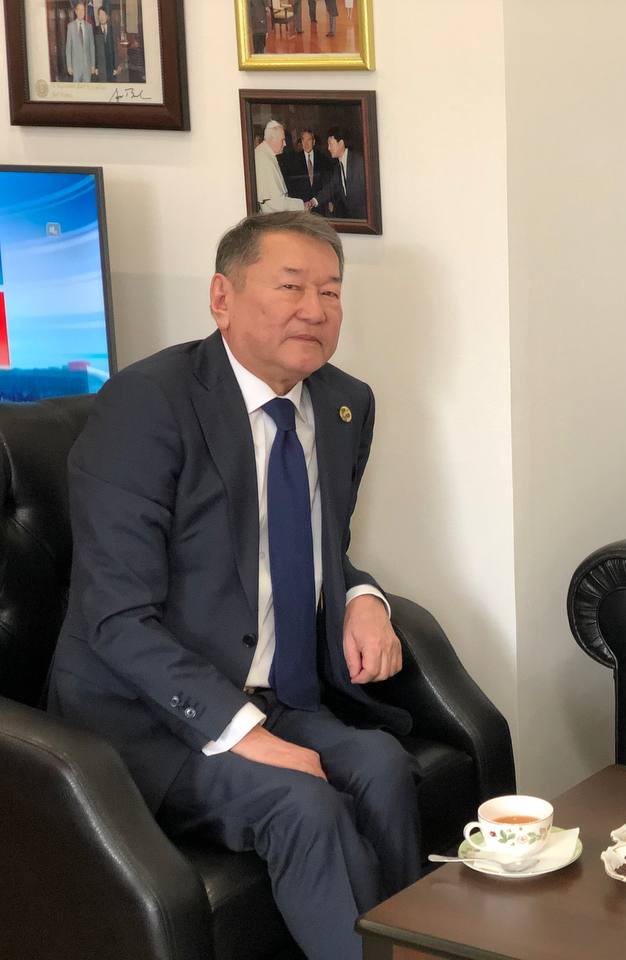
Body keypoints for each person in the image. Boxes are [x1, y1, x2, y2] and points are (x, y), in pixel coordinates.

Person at [47, 212, 420, 960]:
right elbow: (115, 616)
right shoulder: (147, 404)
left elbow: (316, 548)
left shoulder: (344, 403)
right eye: (290, 287)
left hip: (277, 691)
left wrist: (363, 599)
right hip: (148, 715)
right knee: (302, 803)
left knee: (382, 765)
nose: (314, 310)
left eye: (331, 291)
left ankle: (421, 946)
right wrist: (244, 733)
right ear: (222, 298)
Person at [310, 127, 366, 220]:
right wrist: (313, 202)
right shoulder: (337, 168)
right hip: (353, 220)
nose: (328, 148)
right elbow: (330, 188)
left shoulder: (359, 161)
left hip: (364, 218)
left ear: (341, 143)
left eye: (331, 144)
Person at [254, 119, 306, 213]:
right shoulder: (263, 159)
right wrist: (302, 205)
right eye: (282, 140)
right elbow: (276, 203)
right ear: (272, 138)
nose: (285, 144)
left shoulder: (267, 154)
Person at [285, 128, 332, 205]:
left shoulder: (323, 159)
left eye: (309, 140)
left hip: (320, 204)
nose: (306, 144)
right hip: (302, 205)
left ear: (314, 142)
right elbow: (292, 186)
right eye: (303, 140)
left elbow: (327, 183)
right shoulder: (294, 161)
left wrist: (330, 201)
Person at [64, 2, 95, 82]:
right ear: (76, 11)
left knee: (87, 89)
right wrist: (69, 66)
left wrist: (93, 65)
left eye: (83, 10)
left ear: (85, 12)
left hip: (87, 67)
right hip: (76, 67)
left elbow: (92, 47)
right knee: (76, 89)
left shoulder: (89, 26)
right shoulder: (70, 26)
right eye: (79, 10)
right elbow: (68, 48)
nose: (81, 12)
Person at [92, 6, 116, 82]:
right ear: (98, 17)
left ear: (107, 16)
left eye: (103, 14)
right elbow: (94, 50)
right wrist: (96, 67)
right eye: (100, 15)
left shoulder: (113, 29)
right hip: (100, 67)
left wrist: (115, 67)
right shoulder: (95, 30)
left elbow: (115, 49)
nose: (101, 17)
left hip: (111, 67)